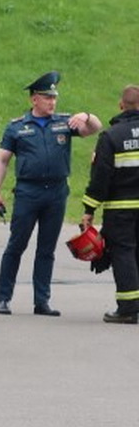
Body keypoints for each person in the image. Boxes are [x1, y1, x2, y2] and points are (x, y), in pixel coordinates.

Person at [0, 71, 101, 316]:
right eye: (46, 97)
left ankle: (42, 301)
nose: (52, 102)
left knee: (46, 249)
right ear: (34, 100)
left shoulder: (64, 122)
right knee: (16, 245)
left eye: (54, 97)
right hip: (28, 192)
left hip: (56, 192)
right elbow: (2, 160)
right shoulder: (17, 127)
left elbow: (94, 129)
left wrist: (87, 116)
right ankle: (3, 298)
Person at [80, 84, 139, 324]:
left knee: (123, 253)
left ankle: (127, 308)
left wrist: (88, 210)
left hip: (121, 210)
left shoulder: (112, 137)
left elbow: (101, 177)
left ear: (121, 106)